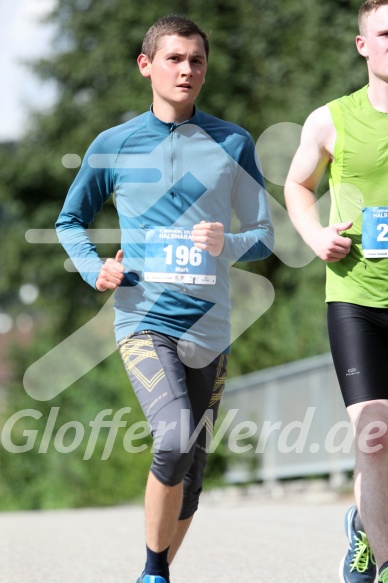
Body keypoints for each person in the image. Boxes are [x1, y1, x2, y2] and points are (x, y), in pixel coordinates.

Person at [56, 14, 274, 583]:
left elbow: (264, 234)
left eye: (196, 60)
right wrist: (92, 268)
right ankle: (154, 574)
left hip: (211, 327)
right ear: (146, 64)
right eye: (174, 58)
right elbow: (70, 220)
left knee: (192, 475)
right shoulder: (115, 144)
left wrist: (230, 242)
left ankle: (156, 572)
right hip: (143, 319)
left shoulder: (232, 141)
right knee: (174, 438)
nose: (187, 69)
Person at [284, 1, 388, 582]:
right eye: (385, 33)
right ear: (363, 45)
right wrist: (316, 234)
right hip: (356, 300)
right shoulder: (331, 119)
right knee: (374, 436)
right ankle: (386, 559)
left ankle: (365, 525)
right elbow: (297, 184)